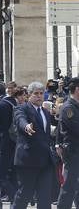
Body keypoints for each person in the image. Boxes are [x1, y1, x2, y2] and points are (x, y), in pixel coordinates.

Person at [11, 81, 55, 209]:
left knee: (45, 196)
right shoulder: (22, 108)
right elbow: (20, 120)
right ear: (28, 95)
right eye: (36, 93)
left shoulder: (46, 112)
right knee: (25, 194)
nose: (39, 96)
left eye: (41, 93)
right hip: (28, 160)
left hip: (45, 160)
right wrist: (26, 127)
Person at [55, 76, 79, 209]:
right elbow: (76, 128)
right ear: (77, 89)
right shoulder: (69, 108)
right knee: (69, 185)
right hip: (73, 152)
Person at [0, 81, 17, 204]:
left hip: (3, 143)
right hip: (15, 142)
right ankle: (15, 200)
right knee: (12, 173)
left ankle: (15, 196)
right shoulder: (14, 102)